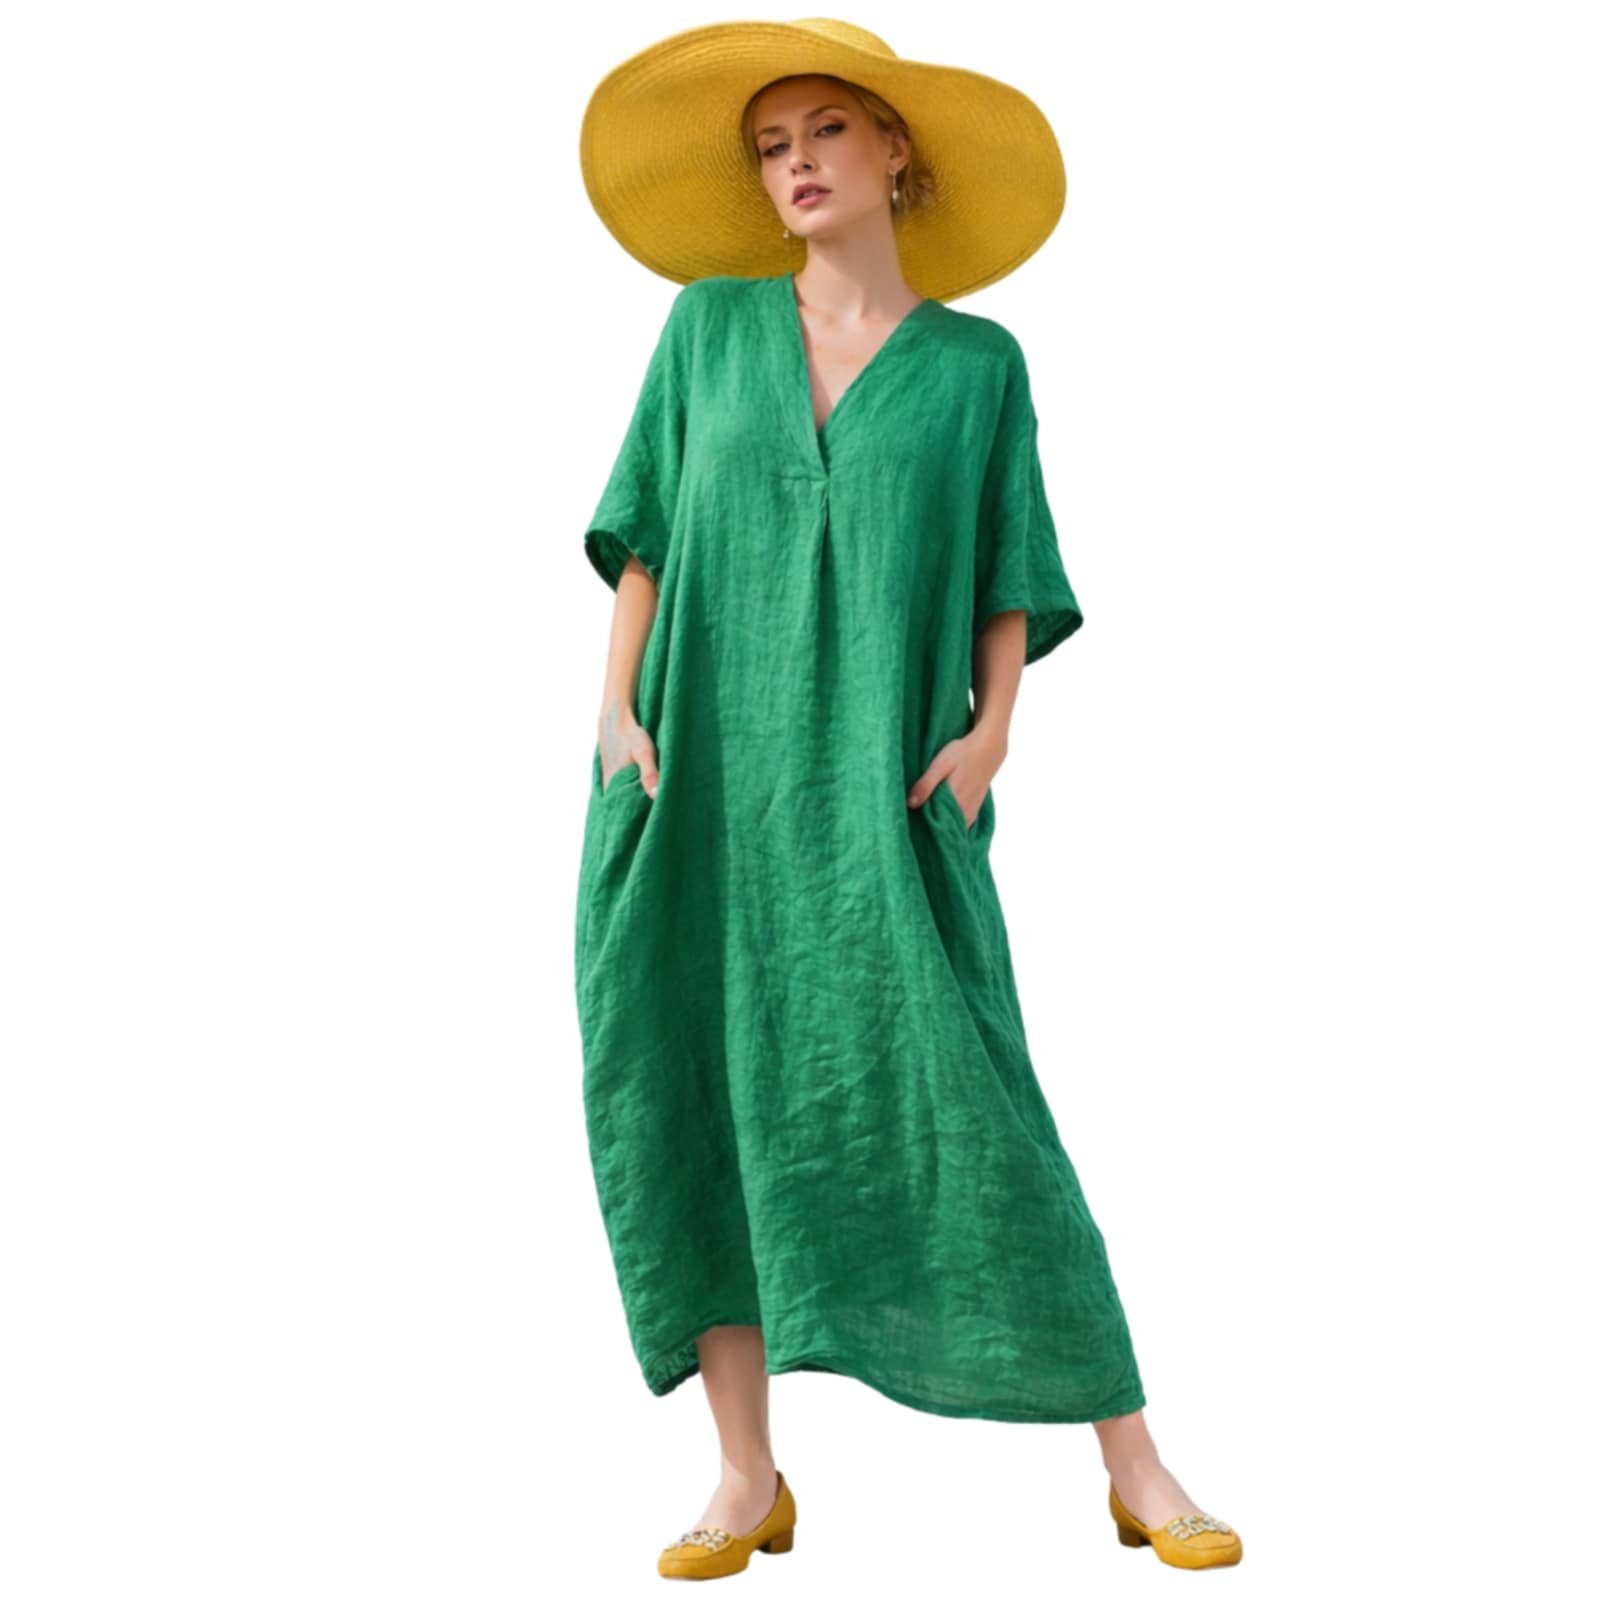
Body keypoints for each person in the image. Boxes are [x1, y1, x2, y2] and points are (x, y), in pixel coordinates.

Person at [573, 19, 1242, 1578]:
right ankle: (745, 1473)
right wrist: (614, 711)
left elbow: (1010, 564)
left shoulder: (976, 369)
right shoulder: (707, 328)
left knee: (973, 1093)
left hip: (887, 790)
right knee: (695, 1082)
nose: (796, 163)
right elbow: (648, 533)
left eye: (825, 130)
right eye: (770, 145)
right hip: (695, 778)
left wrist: (994, 730)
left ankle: (1134, 1457)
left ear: (896, 153)